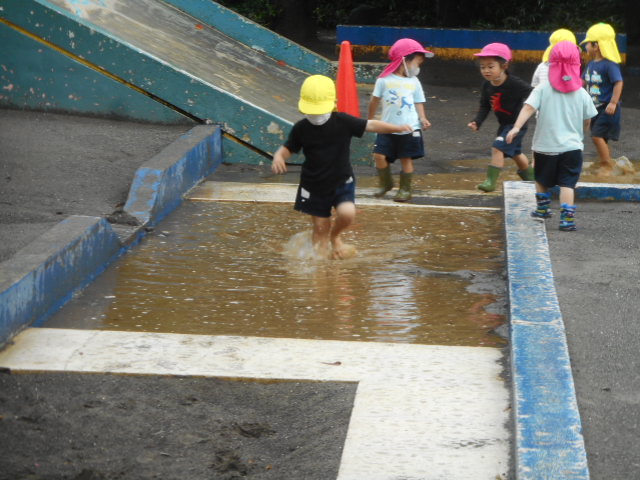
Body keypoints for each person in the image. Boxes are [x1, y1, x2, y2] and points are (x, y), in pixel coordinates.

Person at [272, 75, 412, 259]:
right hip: (313, 185)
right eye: (312, 111)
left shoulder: (343, 121)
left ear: (332, 104)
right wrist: (279, 156)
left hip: (341, 180)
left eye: (319, 110)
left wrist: (396, 128)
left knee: (347, 214)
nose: (315, 115)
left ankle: (335, 236)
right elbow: (289, 148)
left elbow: (371, 125)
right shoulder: (301, 128)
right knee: (320, 228)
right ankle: (321, 268)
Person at [505, 41, 598, 231]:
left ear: (551, 65)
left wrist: (516, 127)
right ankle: (567, 220)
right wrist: (582, 133)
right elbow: (588, 119)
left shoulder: (542, 89)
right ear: (577, 66)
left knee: (541, 178)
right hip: (572, 147)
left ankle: (542, 209)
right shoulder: (581, 93)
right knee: (567, 184)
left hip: (544, 147)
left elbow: (528, 108)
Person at [368, 38, 434, 202]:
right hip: (386, 127)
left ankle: (405, 189)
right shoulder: (383, 80)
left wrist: (423, 118)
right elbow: (374, 101)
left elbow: (418, 101)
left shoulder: (414, 81)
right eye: (417, 63)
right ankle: (386, 183)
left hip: (410, 128)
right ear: (404, 60)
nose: (418, 68)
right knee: (378, 155)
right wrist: (370, 120)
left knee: (406, 158)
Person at [467, 43, 534, 192]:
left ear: (504, 65)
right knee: (515, 153)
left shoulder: (515, 83)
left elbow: (534, 93)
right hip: (504, 125)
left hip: (517, 125)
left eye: (491, 67)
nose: (486, 70)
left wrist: (531, 108)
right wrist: (477, 121)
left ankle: (490, 182)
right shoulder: (487, 85)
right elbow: (485, 106)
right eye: (482, 67)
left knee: (497, 148)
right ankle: (532, 177)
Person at [581, 23, 624, 176]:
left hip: (607, 107)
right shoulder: (591, 64)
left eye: (588, 43)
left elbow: (618, 82)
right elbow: (582, 82)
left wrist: (613, 102)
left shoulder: (609, 65)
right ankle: (607, 163)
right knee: (601, 138)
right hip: (595, 108)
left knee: (596, 136)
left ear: (596, 45)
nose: (585, 46)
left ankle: (607, 166)